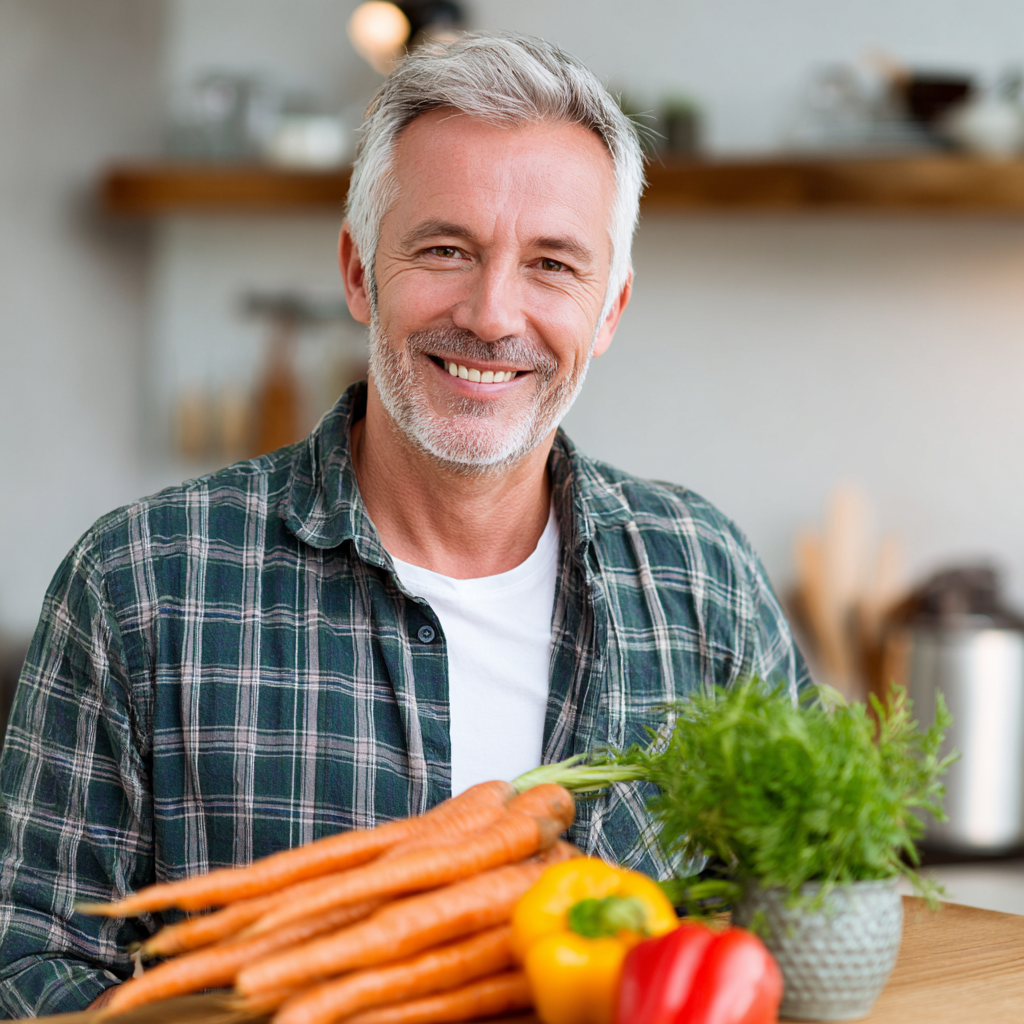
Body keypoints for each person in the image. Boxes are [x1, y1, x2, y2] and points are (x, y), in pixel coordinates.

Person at [0, 32, 809, 1016]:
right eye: (444, 249)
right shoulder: (138, 585)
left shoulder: (705, 581)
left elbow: (812, 916)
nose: (491, 312)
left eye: (553, 264)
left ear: (609, 310)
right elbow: (27, 957)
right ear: (357, 272)